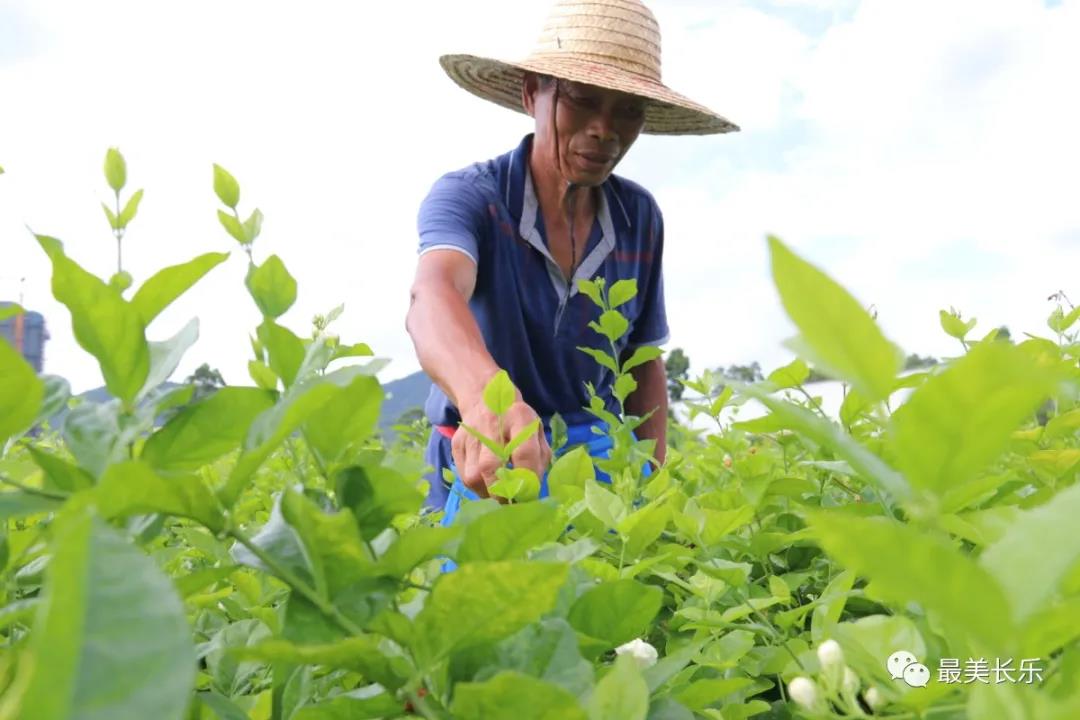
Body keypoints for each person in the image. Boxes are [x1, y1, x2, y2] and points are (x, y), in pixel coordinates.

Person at [405, 0, 738, 520]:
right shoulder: (472, 197)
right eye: (582, 100)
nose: (605, 129)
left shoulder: (638, 216)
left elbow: (641, 357)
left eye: (628, 110)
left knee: (607, 593)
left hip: (597, 460)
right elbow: (435, 294)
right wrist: (486, 403)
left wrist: (651, 475)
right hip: (485, 454)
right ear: (531, 93)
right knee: (477, 593)